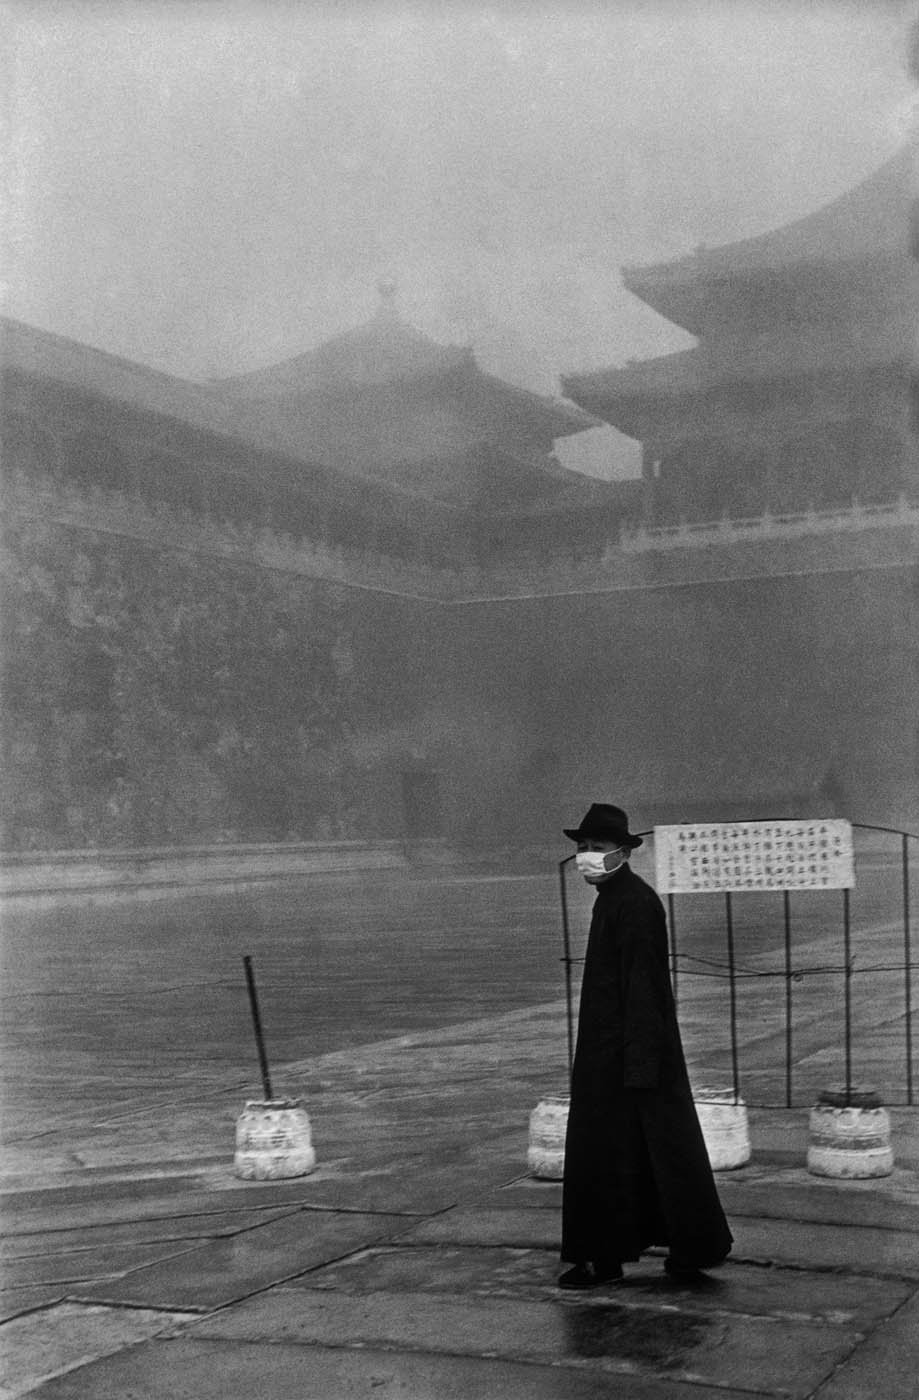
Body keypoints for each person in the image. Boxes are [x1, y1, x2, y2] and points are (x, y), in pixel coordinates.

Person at [559, 802, 733, 1289]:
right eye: (582, 849)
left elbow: (645, 988)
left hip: (631, 1053)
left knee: (639, 1154)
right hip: (615, 1051)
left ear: (622, 852)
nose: (586, 857)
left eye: (596, 849)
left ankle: (642, 1253)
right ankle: (631, 1253)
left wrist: (638, 1065)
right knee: (634, 1155)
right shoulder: (614, 898)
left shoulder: (635, 903)